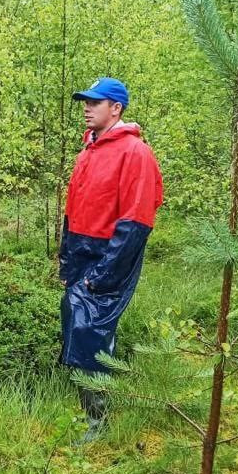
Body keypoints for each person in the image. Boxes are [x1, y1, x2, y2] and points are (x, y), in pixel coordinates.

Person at [59, 77, 163, 442]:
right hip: (82, 251)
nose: (86, 108)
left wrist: (102, 274)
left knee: (92, 331)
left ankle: (97, 423)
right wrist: (67, 262)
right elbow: (73, 209)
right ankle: (88, 411)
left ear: (115, 108)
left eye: (95, 102)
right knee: (76, 324)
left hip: (110, 255)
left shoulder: (136, 153)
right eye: (85, 102)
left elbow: (136, 223)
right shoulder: (89, 149)